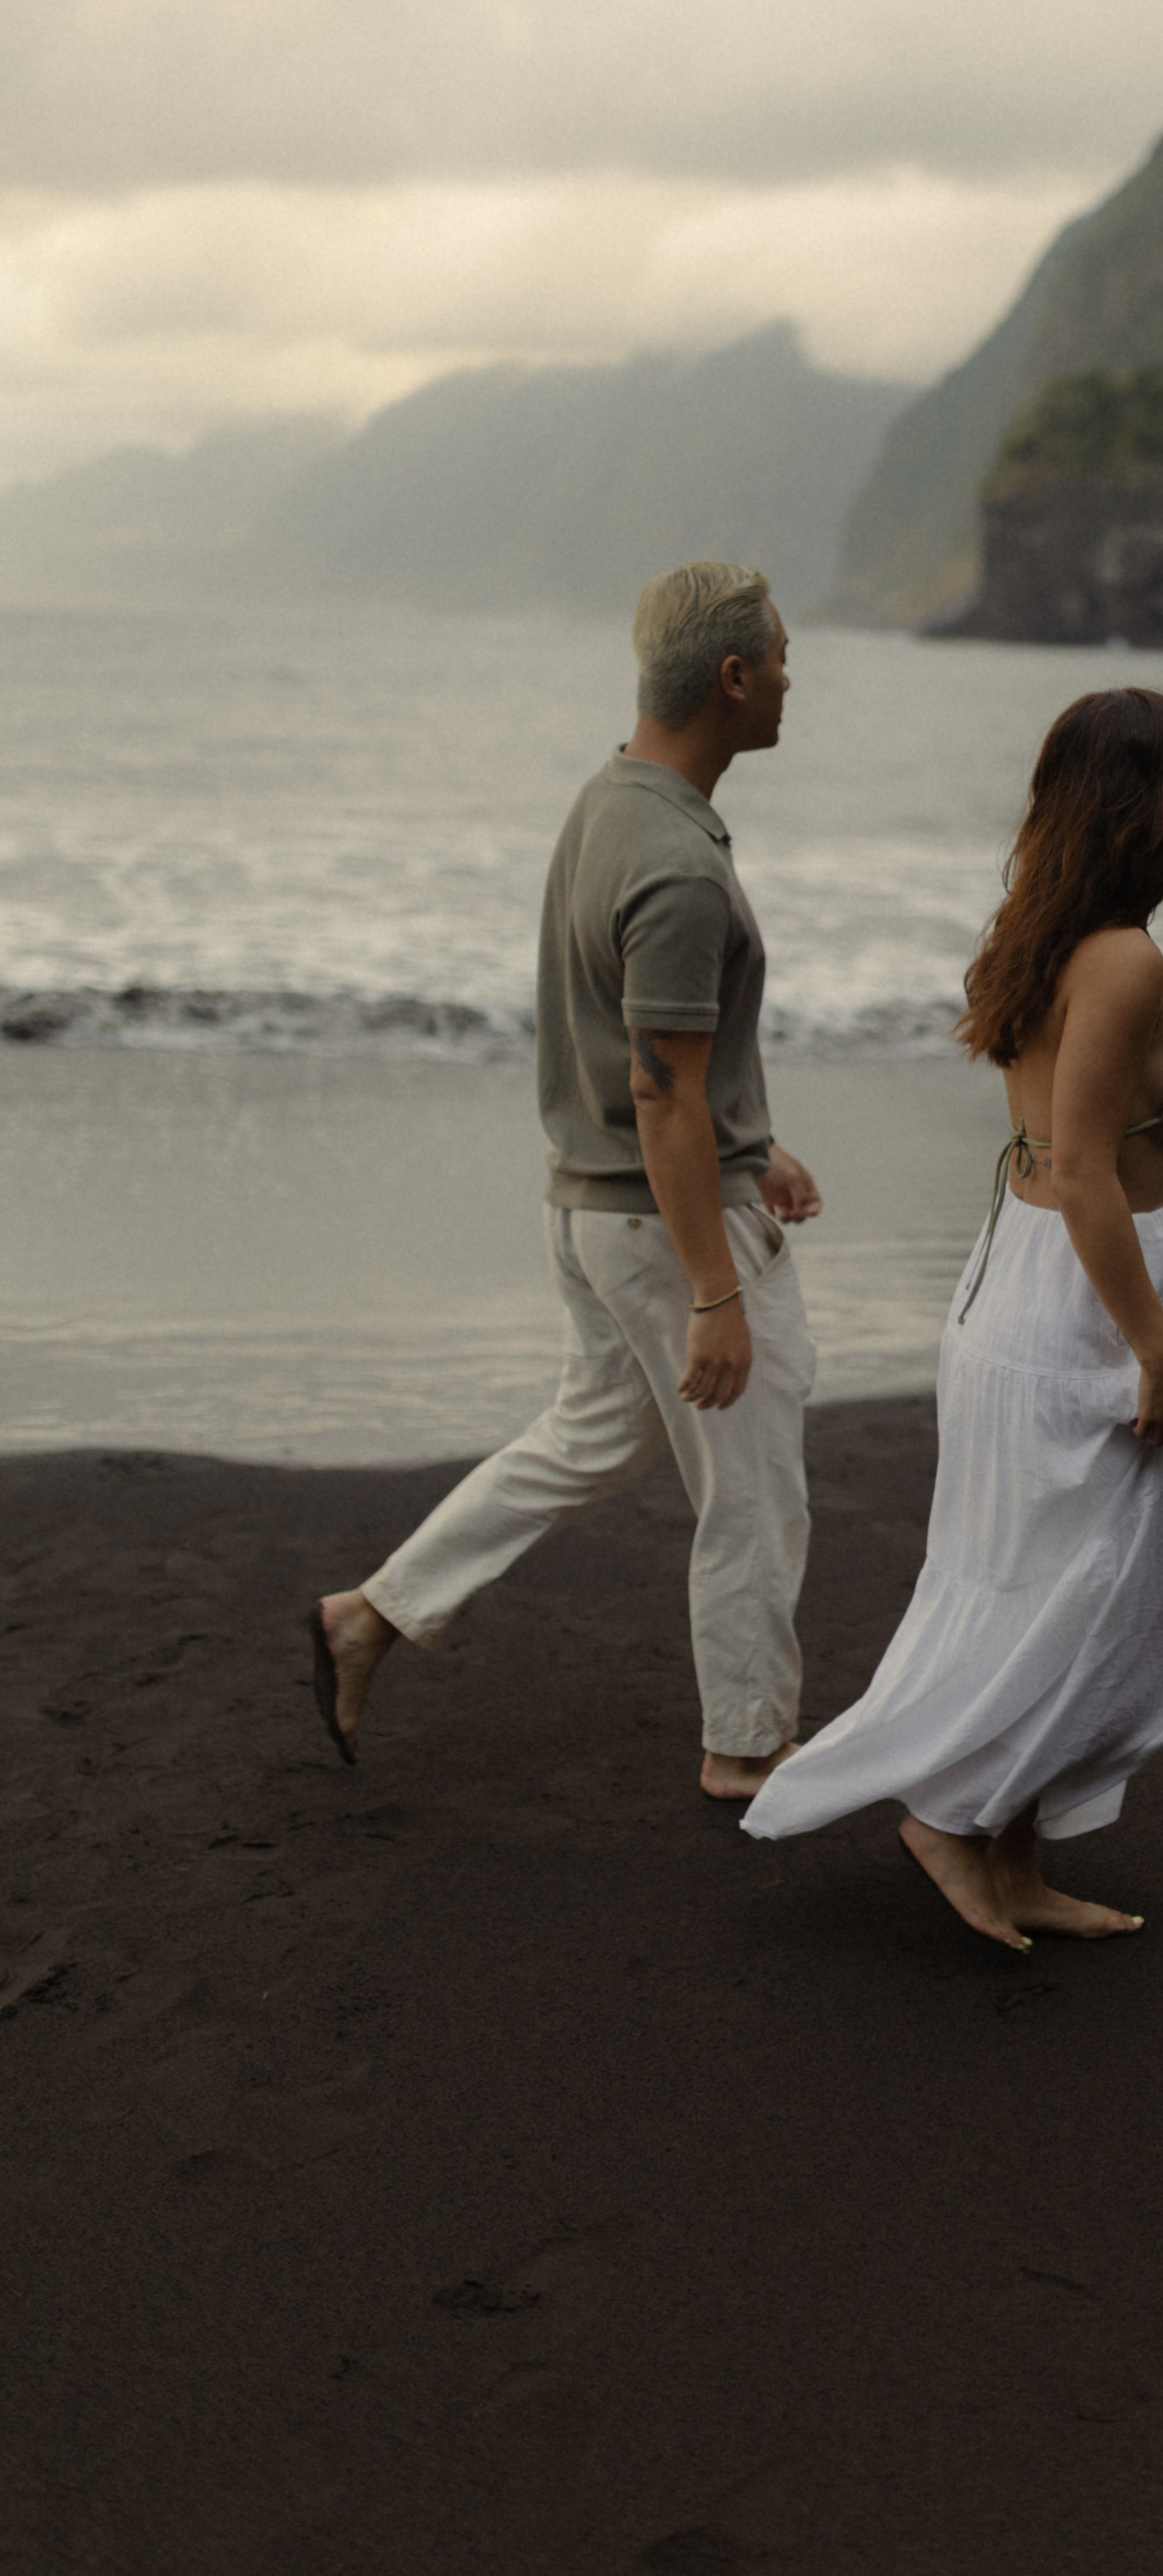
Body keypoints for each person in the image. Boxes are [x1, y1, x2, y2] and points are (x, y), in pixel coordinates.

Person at [308, 562, 820, 1801]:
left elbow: (659, 1055)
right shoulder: (678, 863)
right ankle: (746, 1745)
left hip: (593, 1211)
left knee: (590, 1438)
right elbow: (659, 1088)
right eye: (785, 659)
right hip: (661, 1229)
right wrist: (715, 1286)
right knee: (751, 1489)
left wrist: (755, 1146)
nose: (796, 679)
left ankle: (372, 1614)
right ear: (735, 678)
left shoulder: (613, 802)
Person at [745, 686, 1163, 1950]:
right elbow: (1082, 1171)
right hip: (1075, 1300)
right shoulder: (1122, 960)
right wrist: (1158, 1348)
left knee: (1050, 1583)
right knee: (1116, 1587)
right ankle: (948, 1824)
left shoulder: (1046, 933)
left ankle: (1006, 1857)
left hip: (1024, 1283)